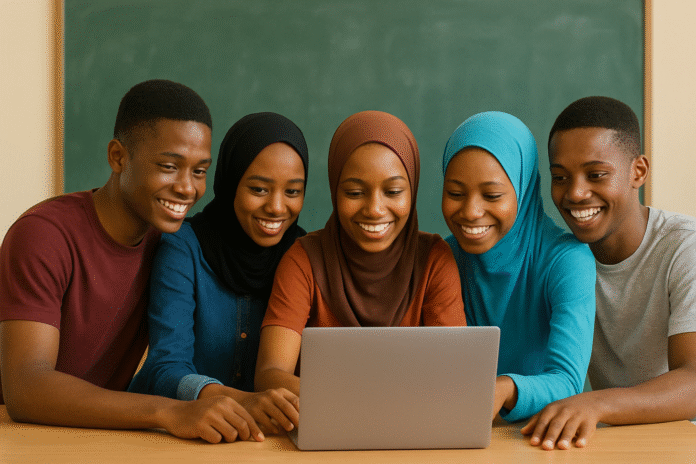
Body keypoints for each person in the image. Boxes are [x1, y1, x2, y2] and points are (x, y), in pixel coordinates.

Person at [0, 79, 263, 443]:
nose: (188, 188)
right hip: (19, 436)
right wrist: (169, 411)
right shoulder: (44, 235)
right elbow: (25, 386)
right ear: (118, 157)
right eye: (169, 166)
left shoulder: (172, 244)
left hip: (100, 436)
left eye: (199, 171)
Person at [522, 96, 696, 450]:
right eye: (560, 177)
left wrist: (599, 402)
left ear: (638, 171)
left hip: (681, 441)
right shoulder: (560, 259)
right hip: (614, 443)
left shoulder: (683, 248)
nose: (575, 193)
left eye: (597, 174)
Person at [254, 110, 467, 396]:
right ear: (334, 190)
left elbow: (455, 376)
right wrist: (356, 405)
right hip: (326, 429)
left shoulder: (433, 260)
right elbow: (270, 375)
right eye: (354, 193)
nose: (374, 209)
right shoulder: (303, 259)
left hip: (413, 434)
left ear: (412, 190)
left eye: (393, 192)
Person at [129, 112, 308, 436]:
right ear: (229, 184)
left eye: (293, 192)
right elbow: (165, 367)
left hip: (268, 441)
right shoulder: (183, 247)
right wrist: (238, 400)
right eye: (259, 189)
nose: (277, 208)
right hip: (174, 438)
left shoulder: (304, 257)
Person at [441, 111, 596, 423]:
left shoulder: (566, 260)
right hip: (457, 433)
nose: (471, 212)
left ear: (523, 190)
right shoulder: (442, 258)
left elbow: (568, 382)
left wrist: (505, 388)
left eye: (492, 195)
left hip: (538, 438)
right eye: (455, 193)